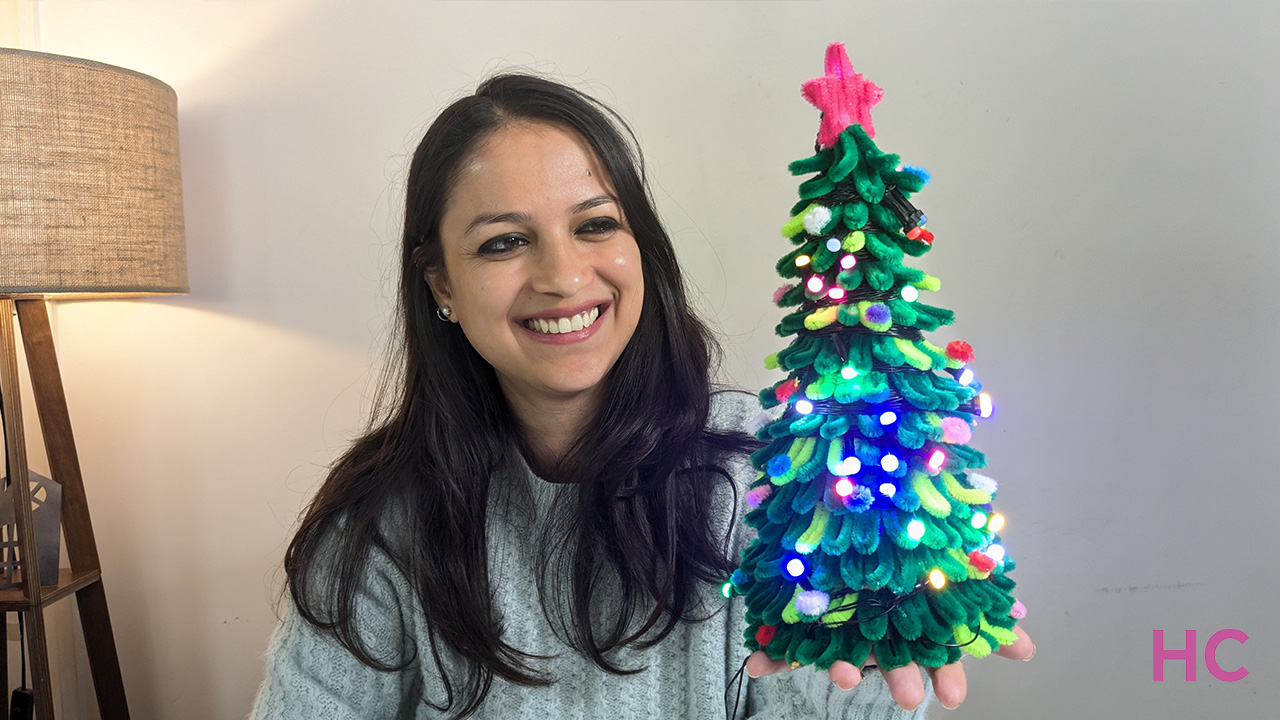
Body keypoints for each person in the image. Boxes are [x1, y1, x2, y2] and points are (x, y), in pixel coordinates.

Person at [247, 73, 1033, 720]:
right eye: (504, 241)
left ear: (639, 250)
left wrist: (862, 652)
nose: (562, 274)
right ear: (442, 285)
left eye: (595, 225)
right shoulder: (382, 519)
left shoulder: (778, 477)